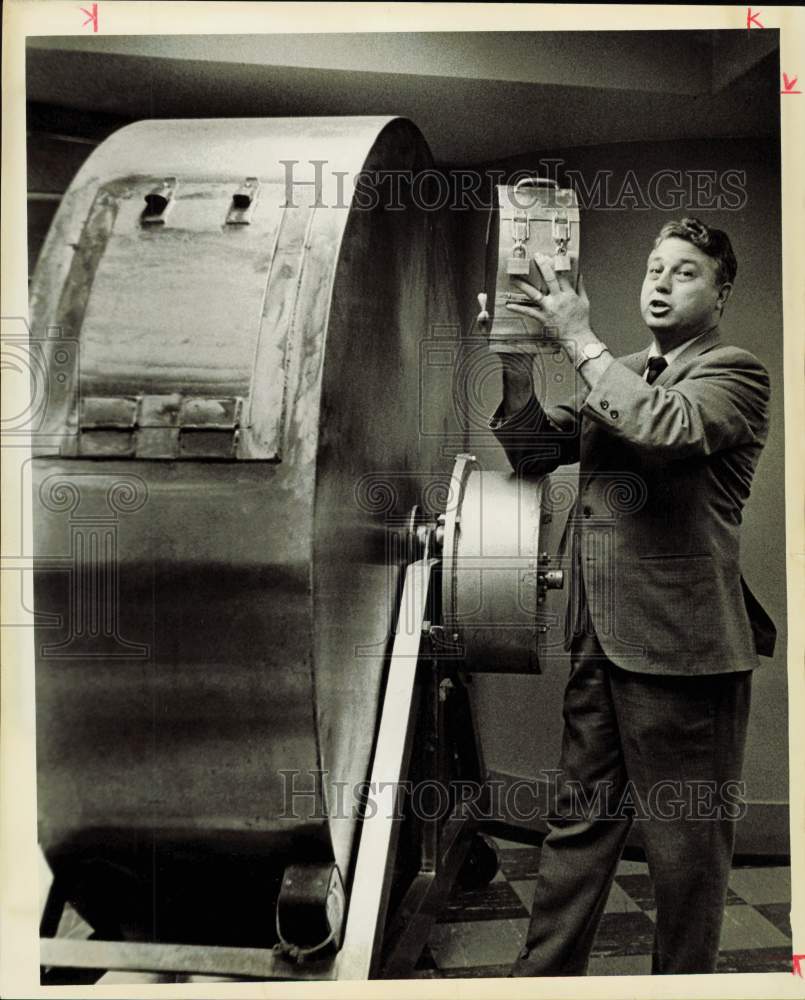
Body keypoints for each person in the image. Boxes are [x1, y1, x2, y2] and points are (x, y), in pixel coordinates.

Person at [490, 218, 774, 976]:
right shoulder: (615, 371)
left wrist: (577, 343)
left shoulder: (732, 373)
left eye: (683, 271)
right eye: (654, 267)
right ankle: (540, 983)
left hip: (684, 656)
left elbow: (663, 427)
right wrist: (519, 360)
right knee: (577, 828)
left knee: (684, 857)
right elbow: (528, 449)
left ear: (720, 293)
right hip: (599, 643)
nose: (659, 280)